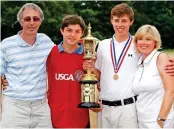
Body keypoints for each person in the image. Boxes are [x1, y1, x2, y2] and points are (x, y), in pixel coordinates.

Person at [83, 3, 174, 128]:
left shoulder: (138, 44)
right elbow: (99, 75)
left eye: (124, 21)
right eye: (116, 20)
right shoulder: (102, 45)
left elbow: (156, 58)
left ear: (131, 22)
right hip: (104, 107)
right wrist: (91, 69)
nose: (120, 24)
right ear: (111, 21)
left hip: (128, 108)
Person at [0, 3, 54, 128]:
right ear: (20, 22)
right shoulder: (6, 45)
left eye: (36, 18)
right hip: (14, 108)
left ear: (40, 21)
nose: (31, 22)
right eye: (27, 19)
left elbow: (62, 57)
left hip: (41, 108)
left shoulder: (46, 41)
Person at [46, 15, 89, 128]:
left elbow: (97, 79)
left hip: (79, 116)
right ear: (62, 31)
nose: (72, 35)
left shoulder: (88, 56)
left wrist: (93, 68)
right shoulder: (50, 53)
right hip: (53, 115)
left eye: (77, 31)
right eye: (69, 30)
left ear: (82, 33)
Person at [131, 24, 174, 128]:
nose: (143, 43)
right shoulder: (139, 62)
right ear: (136, 42)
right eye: (140, 39)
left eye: (148, 39)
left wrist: (161, 118)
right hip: (142, 120)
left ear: (155, 42)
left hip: (159, 121)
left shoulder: (161, 57)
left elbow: (171, 91)